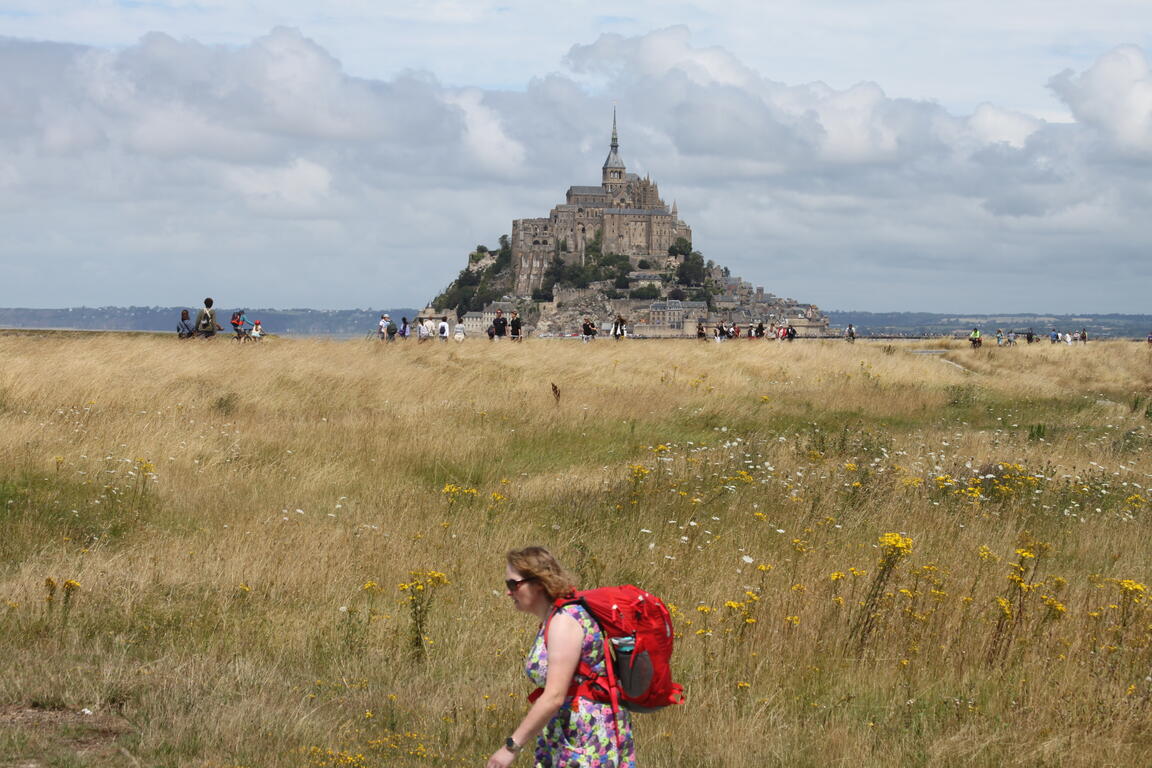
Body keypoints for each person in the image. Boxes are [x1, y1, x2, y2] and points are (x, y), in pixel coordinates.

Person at [486, 546, 635, 768]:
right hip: (570, 734)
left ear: (537, 583)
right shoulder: (556, 617)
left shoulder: (564, 621)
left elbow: (554, 695)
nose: (509, 592)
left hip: (583, 739)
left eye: (513, 584)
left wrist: (510, 748)